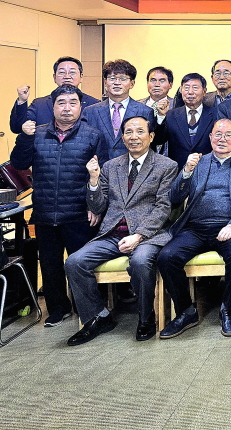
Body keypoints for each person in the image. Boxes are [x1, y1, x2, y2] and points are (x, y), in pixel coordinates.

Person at [64, 116, 178, 345]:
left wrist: (138, 235)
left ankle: (146, 317)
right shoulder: (110, 166)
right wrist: (94, 180)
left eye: (140, 131)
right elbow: (98, 207)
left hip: (148, 235)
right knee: (74, 262)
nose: (134, 137)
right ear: (123, 138)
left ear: (151, 136)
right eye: (128, 132)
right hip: (113, 234)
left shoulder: (167, 166)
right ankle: (98, 317)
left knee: (140, 262)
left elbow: (163, 208)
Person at [9, 84, 103, 327]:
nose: (67, 108)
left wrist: (95, 206)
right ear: (53, 106)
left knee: (81, 264)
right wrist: (24, 137)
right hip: (45, 211)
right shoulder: (37, 133)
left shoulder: (93, 135)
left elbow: (101, 175)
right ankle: (58, 309)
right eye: (61, 103)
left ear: (81, 106)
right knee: (50, 266)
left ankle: (86, 308)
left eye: (73, 102)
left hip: (79, 213)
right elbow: (18, 163)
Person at [158, 119, 231, 339]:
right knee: (167, 256)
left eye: (228, 135)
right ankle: (186, 311)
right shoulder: (197, 163)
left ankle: (228, 309)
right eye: (218, 134)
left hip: (229, 227)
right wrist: (186, 171)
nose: (222, 139)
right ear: (211, 137)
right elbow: (175, 197)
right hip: (194, 228)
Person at [81, 59, 157, 165]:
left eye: (123, 79)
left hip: (133, 168)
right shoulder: (90, 112)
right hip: (98, 169)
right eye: (112, 78)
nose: (117, 83)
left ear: (132, 83)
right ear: (105, 82)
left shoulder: (145, 111)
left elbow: (150, 146)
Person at [10, 56, 100, 134]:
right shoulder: (39, 104)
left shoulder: (95, 104)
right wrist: (22, 101)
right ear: (54, 77)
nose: (67, 76)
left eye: (72, 72)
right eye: (62, 72)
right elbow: (17, 128)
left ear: (81, 77)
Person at [155, 73, 217, 176]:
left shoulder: (215, 114)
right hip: (177, 172)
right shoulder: (171, 114)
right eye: (186, 88)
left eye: (195, 88)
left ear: (204, 91)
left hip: (207, 172)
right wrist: (161, 116)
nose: (190, 92)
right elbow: (158, 140)